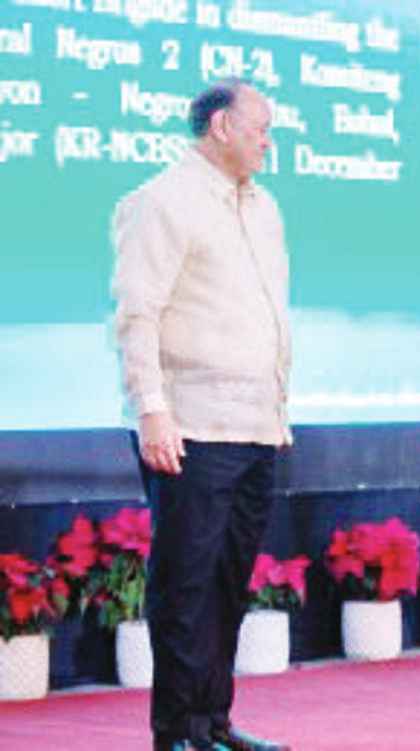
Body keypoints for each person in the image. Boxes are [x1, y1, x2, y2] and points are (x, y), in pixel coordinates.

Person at [111, 79, 291, 751]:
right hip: (191, 424)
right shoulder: (162, 201)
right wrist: (151, 409)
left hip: (256, 424)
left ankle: (214, 720)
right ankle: (177, 731)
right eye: (261, 128)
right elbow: (138, 315)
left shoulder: (264, 207)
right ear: (221, 125)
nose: (268, 142)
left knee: (229, 581)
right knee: (185, 583)